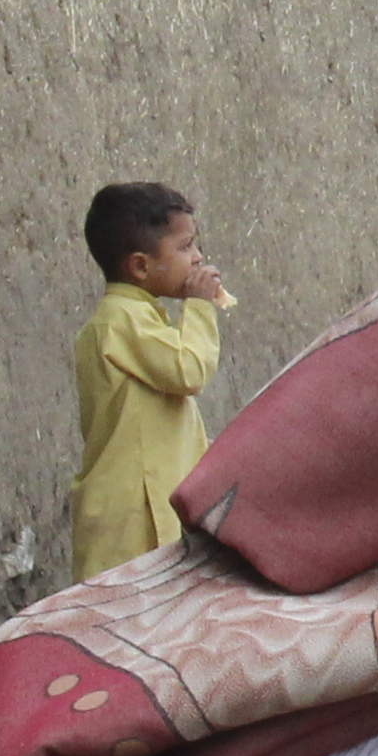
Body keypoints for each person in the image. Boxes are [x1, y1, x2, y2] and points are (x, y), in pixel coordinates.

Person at [67, 181, 231, 584]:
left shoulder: (144, 321)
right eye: (185, 247)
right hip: (130, 523)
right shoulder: (119, 321)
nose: (198, 259)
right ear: (140, 266)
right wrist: (199, 307)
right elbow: (189, 370)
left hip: (152, 515)